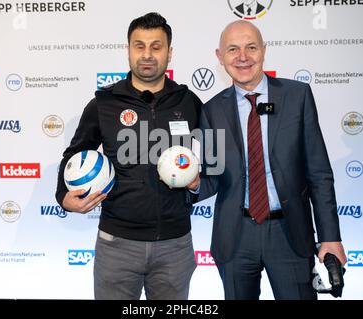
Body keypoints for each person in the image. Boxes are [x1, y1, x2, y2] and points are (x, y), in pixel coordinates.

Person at [192, 20, 346, 300]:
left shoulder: (297, 96)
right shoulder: (212, 110)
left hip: (290, 234)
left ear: (264, 50)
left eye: (251, 47)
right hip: (235, 237)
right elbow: (212, 179)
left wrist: (331, 237)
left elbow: (319, 172)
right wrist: (191, 183)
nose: (242, 57)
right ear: (219, 56)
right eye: (233, 49)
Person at [55, 12, 201, 300]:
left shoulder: (189, 102)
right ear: (128, 50)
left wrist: (198, 184)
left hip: (174, 245)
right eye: (139, 46)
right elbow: (74, 153)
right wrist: (63, 195)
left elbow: (210, 160)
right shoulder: (104, 103)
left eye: (156, 46)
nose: (147, 55)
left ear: (169, 53)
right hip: (116, 245)